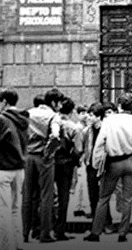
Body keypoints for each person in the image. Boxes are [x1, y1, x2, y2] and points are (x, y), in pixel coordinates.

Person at [85, 93, 132, 243]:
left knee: (103, 198)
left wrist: (96, 165)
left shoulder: (110, 121)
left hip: (113, 163)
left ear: (119, 106)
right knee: (128, 199)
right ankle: (123, 233)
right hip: (131, 161)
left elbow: (100, 144)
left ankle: (95, 232)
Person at [0, 89, 29, 250]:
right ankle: (18, 244)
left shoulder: (2, 120)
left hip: (3, 166)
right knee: (16, 208)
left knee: (3, 210)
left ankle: (6, 246)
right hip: (19, 167)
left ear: (4, 101)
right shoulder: (24, 118)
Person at [22, 88, 63, 244]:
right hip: (44, 158)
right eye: (59, 103)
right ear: (53, 102)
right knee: (47, 195)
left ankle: (25, 232)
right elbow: (55, 136)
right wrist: (49, 152)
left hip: (28, 157)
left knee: (27, 195)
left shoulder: (27, 113)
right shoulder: (53, 116)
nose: (60, 106)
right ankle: (45, 233)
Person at [54, 97, 84, 241]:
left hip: (50, 162)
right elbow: (78, 149)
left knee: (46, 195)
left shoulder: (53, 122)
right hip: (66, 164)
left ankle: (42, 227)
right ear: (72, 111)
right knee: (63, 196)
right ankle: (60, 230)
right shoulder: (74, 127)